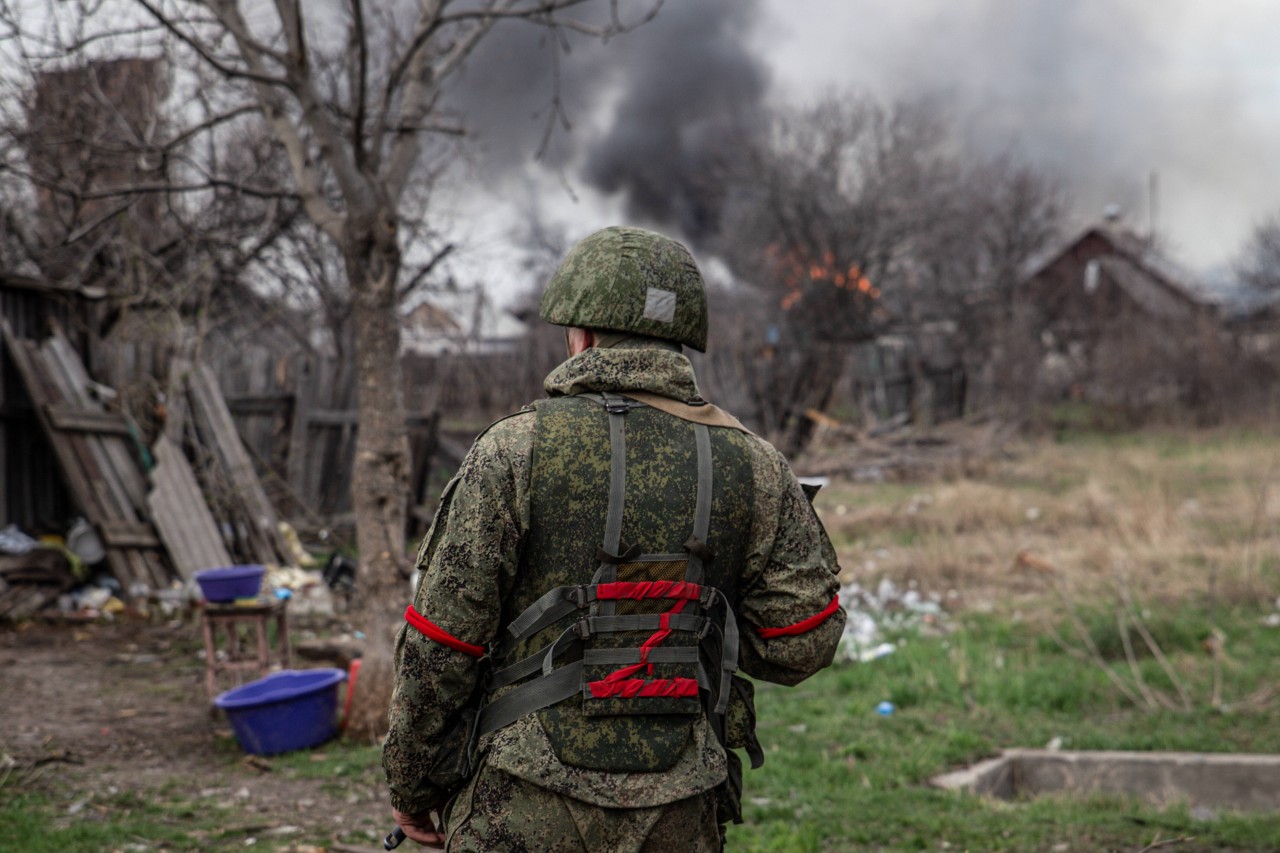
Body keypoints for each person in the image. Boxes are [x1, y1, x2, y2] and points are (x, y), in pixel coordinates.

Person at [383, 225, 845, 851]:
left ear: (581, 334)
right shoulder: (754, 464)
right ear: (683, 339)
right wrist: (696, 621)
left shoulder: (513, 450)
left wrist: (414, 785)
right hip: (679, 809)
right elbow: (802, 642)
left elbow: (440, 643)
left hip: (521, 801)